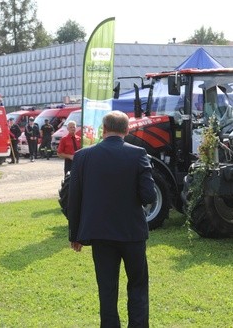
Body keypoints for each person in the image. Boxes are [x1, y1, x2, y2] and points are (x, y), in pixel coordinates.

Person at [68, 111, 156, 327]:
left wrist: (75, 234)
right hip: (132, 233)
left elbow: (74, 199)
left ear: (103, 130)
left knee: (106, 288)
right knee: (137, 285)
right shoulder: (138, 154)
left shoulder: (82, 156)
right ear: (127, 130)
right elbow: (149, 195)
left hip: (99, 233)